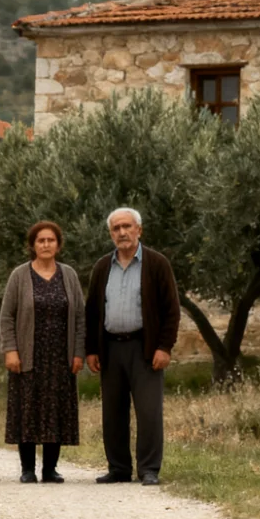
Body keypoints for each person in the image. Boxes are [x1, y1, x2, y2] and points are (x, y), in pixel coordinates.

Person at [84, 207, 180, 485]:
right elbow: (93, 311)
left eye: (127, 226)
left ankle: (149, 469)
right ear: (110, 234)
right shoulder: (103, 267)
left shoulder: (157, 263)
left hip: (145, 348)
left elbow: (171, 310)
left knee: (149, 411)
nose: (122, 232)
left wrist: (164, 347)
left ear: (139, 230)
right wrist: (91, 349)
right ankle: (118, 468)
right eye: (116, 228)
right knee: (112, 412)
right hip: (110, 348)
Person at [0, 220, 85, 483]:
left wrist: (78, 352)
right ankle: (27, 469)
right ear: (33, 246)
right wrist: (11, 350)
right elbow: (6, 317)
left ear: (58, 245)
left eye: (51, 240)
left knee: (55, 410)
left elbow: (81, 317)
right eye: (41, 240)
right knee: (27, 410)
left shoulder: (69, 275)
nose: (46, 244)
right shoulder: (19, 276)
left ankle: (50, 469)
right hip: (28, 355)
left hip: (60, 356)